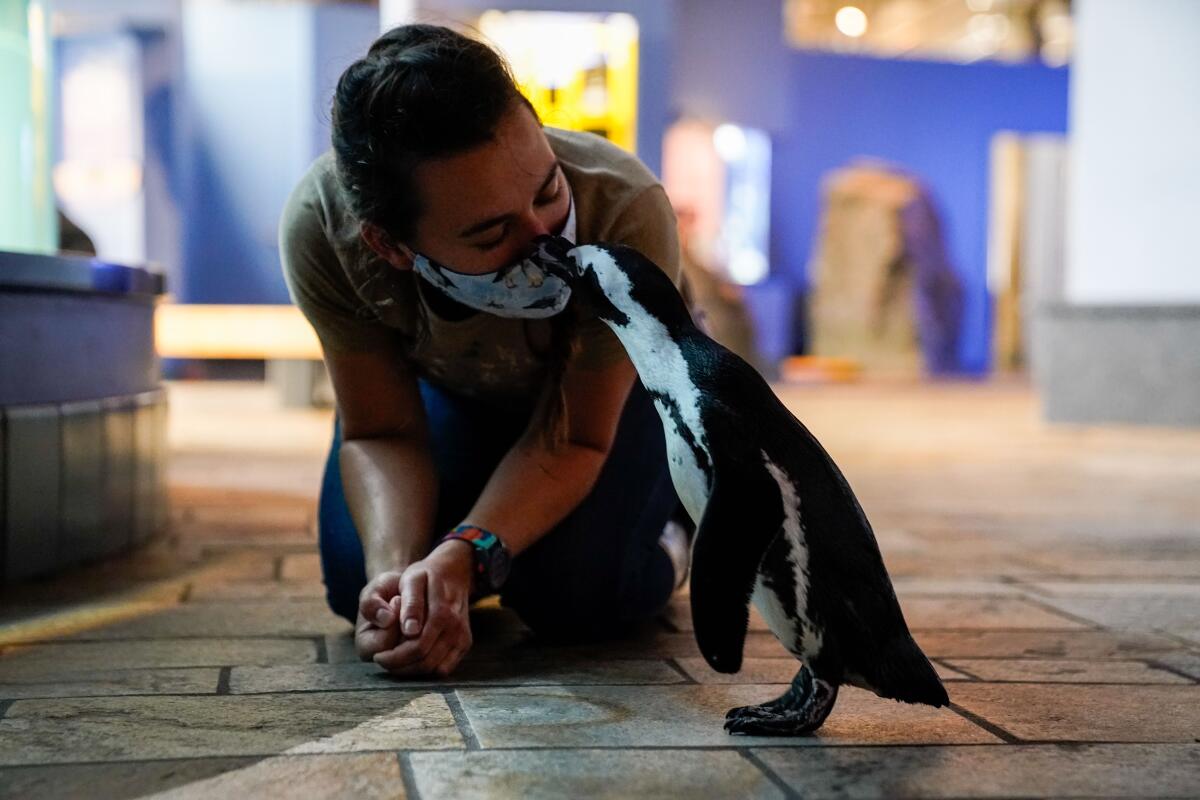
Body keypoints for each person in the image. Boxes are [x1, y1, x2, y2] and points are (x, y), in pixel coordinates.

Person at [278, 24, 691, 679]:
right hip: (460, 392)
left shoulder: (625, 208)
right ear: (390, 246)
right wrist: (405, 583)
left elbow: (577, 439)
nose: (546, 242)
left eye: (549, 191)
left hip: (616, 401)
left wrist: (466, 552)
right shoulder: (324, 232)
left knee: (571, 597)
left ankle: (674, 530)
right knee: (357, 583)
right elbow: (381, 430)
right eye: (492, 232)